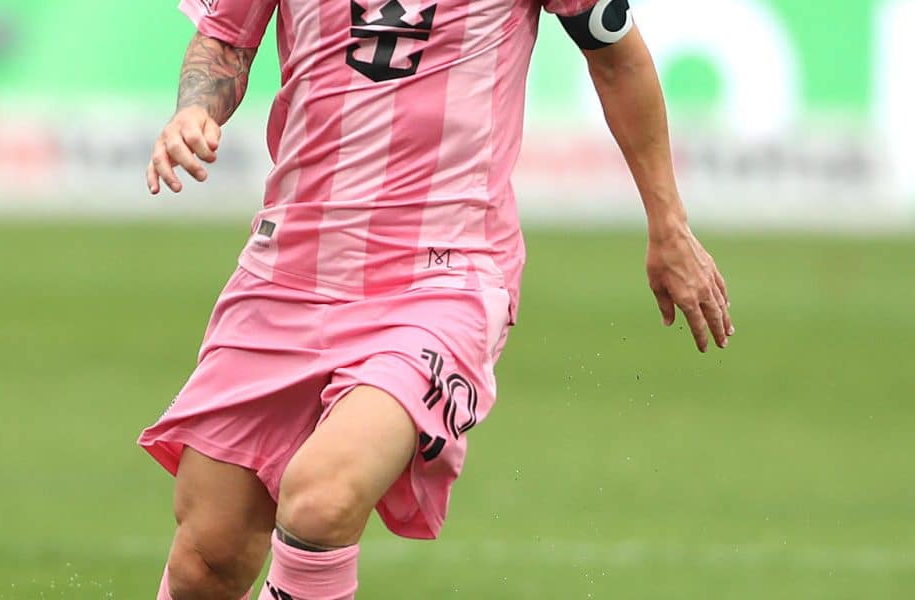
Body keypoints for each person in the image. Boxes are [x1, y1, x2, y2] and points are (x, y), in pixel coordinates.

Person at [139, 0, 734, 597]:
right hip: (288, 268)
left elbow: (616, 59)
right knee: (206, 559)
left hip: (442, 276)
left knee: (322, 501)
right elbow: (226, 42)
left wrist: (669, 224)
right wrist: (193, 110)